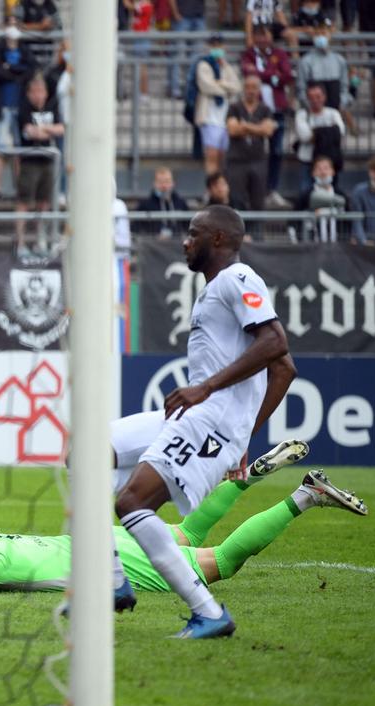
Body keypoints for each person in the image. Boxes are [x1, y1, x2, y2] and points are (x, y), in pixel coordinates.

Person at [0, 451, 367, 594]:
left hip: (113, 562)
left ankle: (302, 496)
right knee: (188, 535)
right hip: (101, 541)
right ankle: (246, 477)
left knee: (219, 564)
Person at [110, 205, 298, 638]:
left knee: (132, 503)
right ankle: (112, 579)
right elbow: (284, 369)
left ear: (218, 239)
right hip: (200, 418)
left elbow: (276, 344)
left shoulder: (237, 277)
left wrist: (207, 390)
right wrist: (245, 435)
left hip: (209, 421)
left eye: (193, 233)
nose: (185, 241)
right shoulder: (216, 290)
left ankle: (208, 612)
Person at [240, 24, 294, 209]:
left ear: (271, 37)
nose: (262, 39)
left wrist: (262, 75)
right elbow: (248, 73)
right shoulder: (248, 54)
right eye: (259, 35)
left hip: (277, 110)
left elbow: (287, 75)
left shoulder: (280, 53)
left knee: (276, 151)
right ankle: (253, 190)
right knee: (254, 151)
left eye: (266, 35)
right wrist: (273, 75)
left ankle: (272, 189)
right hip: (255, 111)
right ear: (254, 37)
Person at [0, 21, 37, 201]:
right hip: (2, 105)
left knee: (19, 148)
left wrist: (10, 68)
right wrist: (17, 73)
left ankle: (20, 189)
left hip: (20, 106)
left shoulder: (25, 48)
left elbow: (30, 71)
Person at [15, 74, 63, 258]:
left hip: (48, 161)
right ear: (29, 94)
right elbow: (31, 132)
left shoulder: (52, 106)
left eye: (41, 91)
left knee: (44, 202)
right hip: (29, 161)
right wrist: (49, 130)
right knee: (24, 202)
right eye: (34, 91)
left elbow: (61, 129)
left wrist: (43, 130)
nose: (38, 95)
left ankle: (40, 241)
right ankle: (20, 243)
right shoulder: (24, 108)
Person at [226, 74, 278, 212]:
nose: (251, 90)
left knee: (258, 200)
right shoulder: (234, 107)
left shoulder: (265, 109)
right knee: (236, 200)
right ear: (243, 89)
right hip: (236, 161)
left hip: (258, 160)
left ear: (259, 89)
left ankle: (257, 226)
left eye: (254, 87)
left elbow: (268, 131)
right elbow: (232, 130)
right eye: (248, 87)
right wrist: (258, 128)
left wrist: (245, 126)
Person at [194, 35, 242, 176]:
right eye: (213, 46)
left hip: (225, 118)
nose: (217, 49)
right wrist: (226, 89)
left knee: (223, 156)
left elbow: (237, 87)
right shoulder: (203, 65)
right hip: (210, 117)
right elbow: (207, 86)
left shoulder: (227, 67)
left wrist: (220, 83)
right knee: (212, 155)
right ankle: (211, 186)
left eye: (219, 46)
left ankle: (222, 186)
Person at [295, 83, 344, 185]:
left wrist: (316, 132)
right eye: (311, 97)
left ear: (324, 97)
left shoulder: (333, 113)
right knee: (306, 190)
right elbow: (305, 136)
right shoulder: (302, 114)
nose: (315, 100)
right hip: (308, 160)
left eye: (318, 97)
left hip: (329, 161)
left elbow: (340, 132)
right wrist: (329, 132)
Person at [298, 155, 346, 242]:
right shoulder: (306, 195)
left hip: (338, 244)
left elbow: (348, 221)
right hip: (313, 244)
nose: (323, 172)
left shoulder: (340, 195)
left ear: (333, 171)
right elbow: (295, 220)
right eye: (319, 169)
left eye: (326, 168)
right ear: (313, 173)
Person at [167, 0, 207, 100]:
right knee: (177, 55)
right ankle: (174, 89)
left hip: (198, 16)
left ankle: (190, 89)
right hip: (182, 17)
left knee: (196, 57)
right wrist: (175, 13)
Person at [135, 167, 189, 239]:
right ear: (154, 183)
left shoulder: (181, 203)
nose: (164, 185)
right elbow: (136, 229)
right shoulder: (144, 204)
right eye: (160, 182)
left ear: (173, 183)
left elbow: (188, 227)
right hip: (152, 244)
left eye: (167, 181)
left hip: (177, 244)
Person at [350, 154, 375, 245]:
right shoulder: (359, 191)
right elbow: (357, 219)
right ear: (369, 172)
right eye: (374, 170)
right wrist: (364, 241)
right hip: (368, 243)